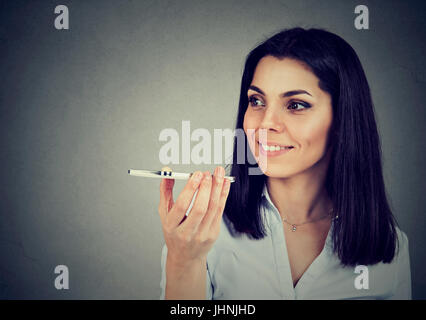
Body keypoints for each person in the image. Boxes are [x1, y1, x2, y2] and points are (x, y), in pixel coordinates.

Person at [157, 27, 411, 299]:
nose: (266, 123)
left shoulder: (389, 249)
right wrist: (183, 261)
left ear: (341, 120)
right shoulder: (201, 234)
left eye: (296, 105)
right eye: (256, 101)